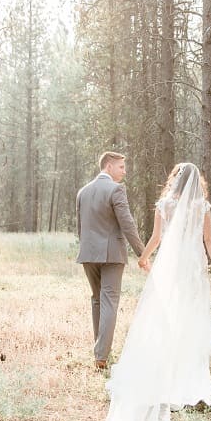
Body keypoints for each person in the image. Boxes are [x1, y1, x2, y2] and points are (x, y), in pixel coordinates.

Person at [99, 162, 211, 421]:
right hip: (191, 268)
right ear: (197, 183)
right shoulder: (200, 206)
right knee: (189, 319)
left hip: (169, 270)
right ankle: (187, 375)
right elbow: (208, 241)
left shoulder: (164, 204)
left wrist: (144, 257)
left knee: (165, 318)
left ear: (175, 180)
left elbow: (156, 239)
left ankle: (167, 371)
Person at [76, 151, 146, 370]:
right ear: (108, 166)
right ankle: (101, 357)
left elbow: (81, 227)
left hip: (88, 253)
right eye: (121, 167)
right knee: (109, 302)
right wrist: (142, 254)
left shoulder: (83, 191)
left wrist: (87, 247)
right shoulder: (116, 189)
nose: (124, 171)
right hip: (112, 254)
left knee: (97, 300)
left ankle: (100, 351)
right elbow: (128, 224)